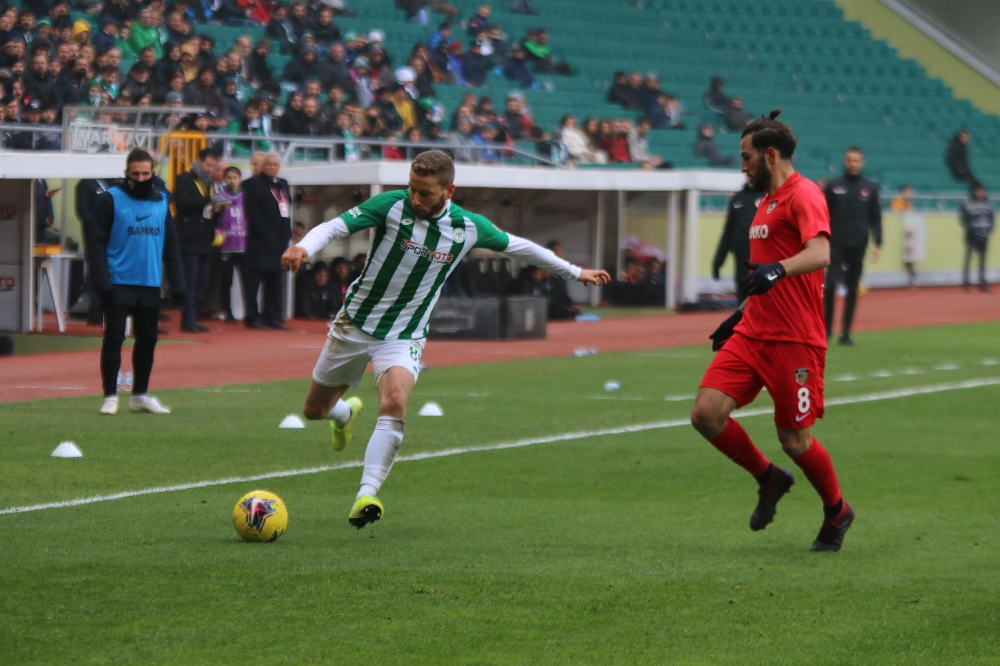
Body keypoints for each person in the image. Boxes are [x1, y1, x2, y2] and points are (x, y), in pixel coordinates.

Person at [280, 150, 609, 529]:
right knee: (313, 412)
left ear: (449, 190)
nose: (415, 199)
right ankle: (343, 413)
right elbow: (336, 227)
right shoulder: (391, 206)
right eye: (412, 189)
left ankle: (365, 495)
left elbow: (519, 246)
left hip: (404, 333)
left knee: (396, 401)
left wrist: (574, 271)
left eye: (425, 193)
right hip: (353, 325)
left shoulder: (467, 227)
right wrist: (305, 246)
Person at [692, 110, 853, 553]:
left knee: (795, 441)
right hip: (754, 332)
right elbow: (761, 275)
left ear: (770, 154)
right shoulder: (764, 203)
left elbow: (819, 252)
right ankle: (769, 479)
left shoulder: (805, 195)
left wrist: (777, 271)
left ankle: (837, 511)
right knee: (705, 414)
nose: (742, 165)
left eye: (746, 157)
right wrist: (740, 313)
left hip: (794, 339)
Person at [84, 148, 185, 416]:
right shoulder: (109, 199)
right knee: (114, 337)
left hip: (150, 282)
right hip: (117, 281)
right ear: (126, 172)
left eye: (145, 173)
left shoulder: (161, 200)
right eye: (134, 173)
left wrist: (179, 284)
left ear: (153, 172)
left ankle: (139, 395)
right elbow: (95, 244)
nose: (139, 178)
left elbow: (171, 245)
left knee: (148, 339)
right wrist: (102, 281)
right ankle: (110, 396)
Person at [822, 147, 882, 345]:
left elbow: (876, 218)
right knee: (830, 286)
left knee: (852, 288)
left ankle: (846, 333)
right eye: (849, 160)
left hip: (858, 244)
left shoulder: (870, 187)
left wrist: (878, 242)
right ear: (844, 161)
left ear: (861, 162)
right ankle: (827, 329)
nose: (852, 163)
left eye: (856, 160)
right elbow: (822, 214)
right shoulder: (833, 186)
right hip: (836, 244)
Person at [242, 153, 292, 329]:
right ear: (262, 166)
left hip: (278, 241)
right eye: (269, 164)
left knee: (275, 282)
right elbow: (251, 212)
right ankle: (252, 316)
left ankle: (273, 316)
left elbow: (286, 211)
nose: (272, 167)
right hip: (259, 241)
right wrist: (265, 233)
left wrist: (286, 235)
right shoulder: (253, 185)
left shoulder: (283, 184)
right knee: (254, 282)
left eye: (275, 164)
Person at [174, 148, 219, 332]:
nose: (210, 169)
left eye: (213, 166)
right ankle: (187, 319)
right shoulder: (184, 178)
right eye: (207, 164)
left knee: (201, 281)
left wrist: (217, 208)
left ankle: (194, 316)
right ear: (199, 161)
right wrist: (208, 200)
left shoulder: (210, 182)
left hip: (205, 238)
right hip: (189, 237)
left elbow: (207, 209)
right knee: (190, 281)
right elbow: (181, 204)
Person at [712, 181, 760, 301]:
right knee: (743, 293)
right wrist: (718, 261)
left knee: (760, 293)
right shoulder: (737, 198)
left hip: (762, 258)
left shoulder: (767, 196)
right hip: (741, 259)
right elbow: (728, 232)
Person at [214, 166, 246, 322]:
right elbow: (213, 219)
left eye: (235, 177)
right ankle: (228, 311)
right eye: (229, 178)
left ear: (240, 179)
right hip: (225, 246)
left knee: (246, 281)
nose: (232, 181)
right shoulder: (219, 196)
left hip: (243, 246)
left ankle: (249, 312)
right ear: (224, 179)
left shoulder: (246, 196)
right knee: (226, 282)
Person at [959, 182, 994, 292]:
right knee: (968, 259)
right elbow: (964, 219)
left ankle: (982, 284)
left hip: (984, 235)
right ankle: (966, 283)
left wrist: (989, 230)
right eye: (978, 191)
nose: (981, 193)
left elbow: (991, 218)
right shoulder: (967, 203)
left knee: (982, 261)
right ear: (974, 191)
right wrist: (973, 230)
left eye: (982, 191)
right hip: (972, 235)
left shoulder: (987, 203)